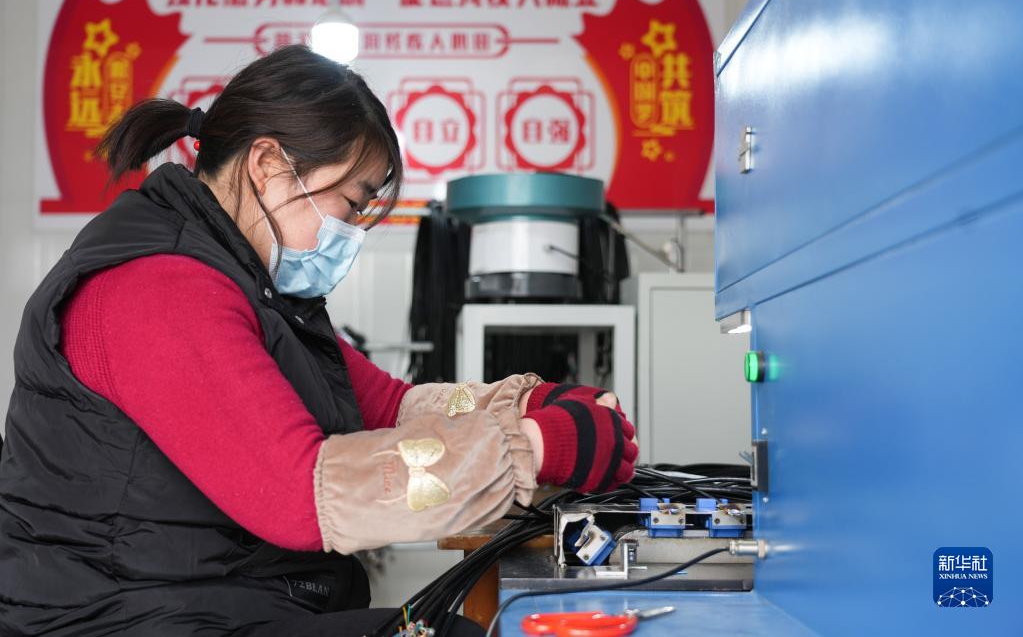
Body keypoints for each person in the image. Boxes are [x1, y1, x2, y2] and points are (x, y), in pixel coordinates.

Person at [0, 45, 638, 636]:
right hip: (125, 618)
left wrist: (529, 404)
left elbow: (390, 405)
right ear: (268, 165)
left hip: (212, 604)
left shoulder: (255, 291)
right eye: (352, 203)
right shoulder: (159, 289)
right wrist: (534, 448)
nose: (353, 231)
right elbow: (299, 495)